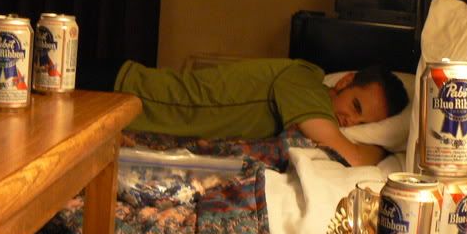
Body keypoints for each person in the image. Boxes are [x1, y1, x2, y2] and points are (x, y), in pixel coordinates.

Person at [113, 58, 409, 166]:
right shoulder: (305, 82)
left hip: (131, 111)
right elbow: (352, 156)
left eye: (362, 123)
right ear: (345, 81)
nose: (350, 121)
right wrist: (382, 150)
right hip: (126, 92)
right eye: (355, 106)